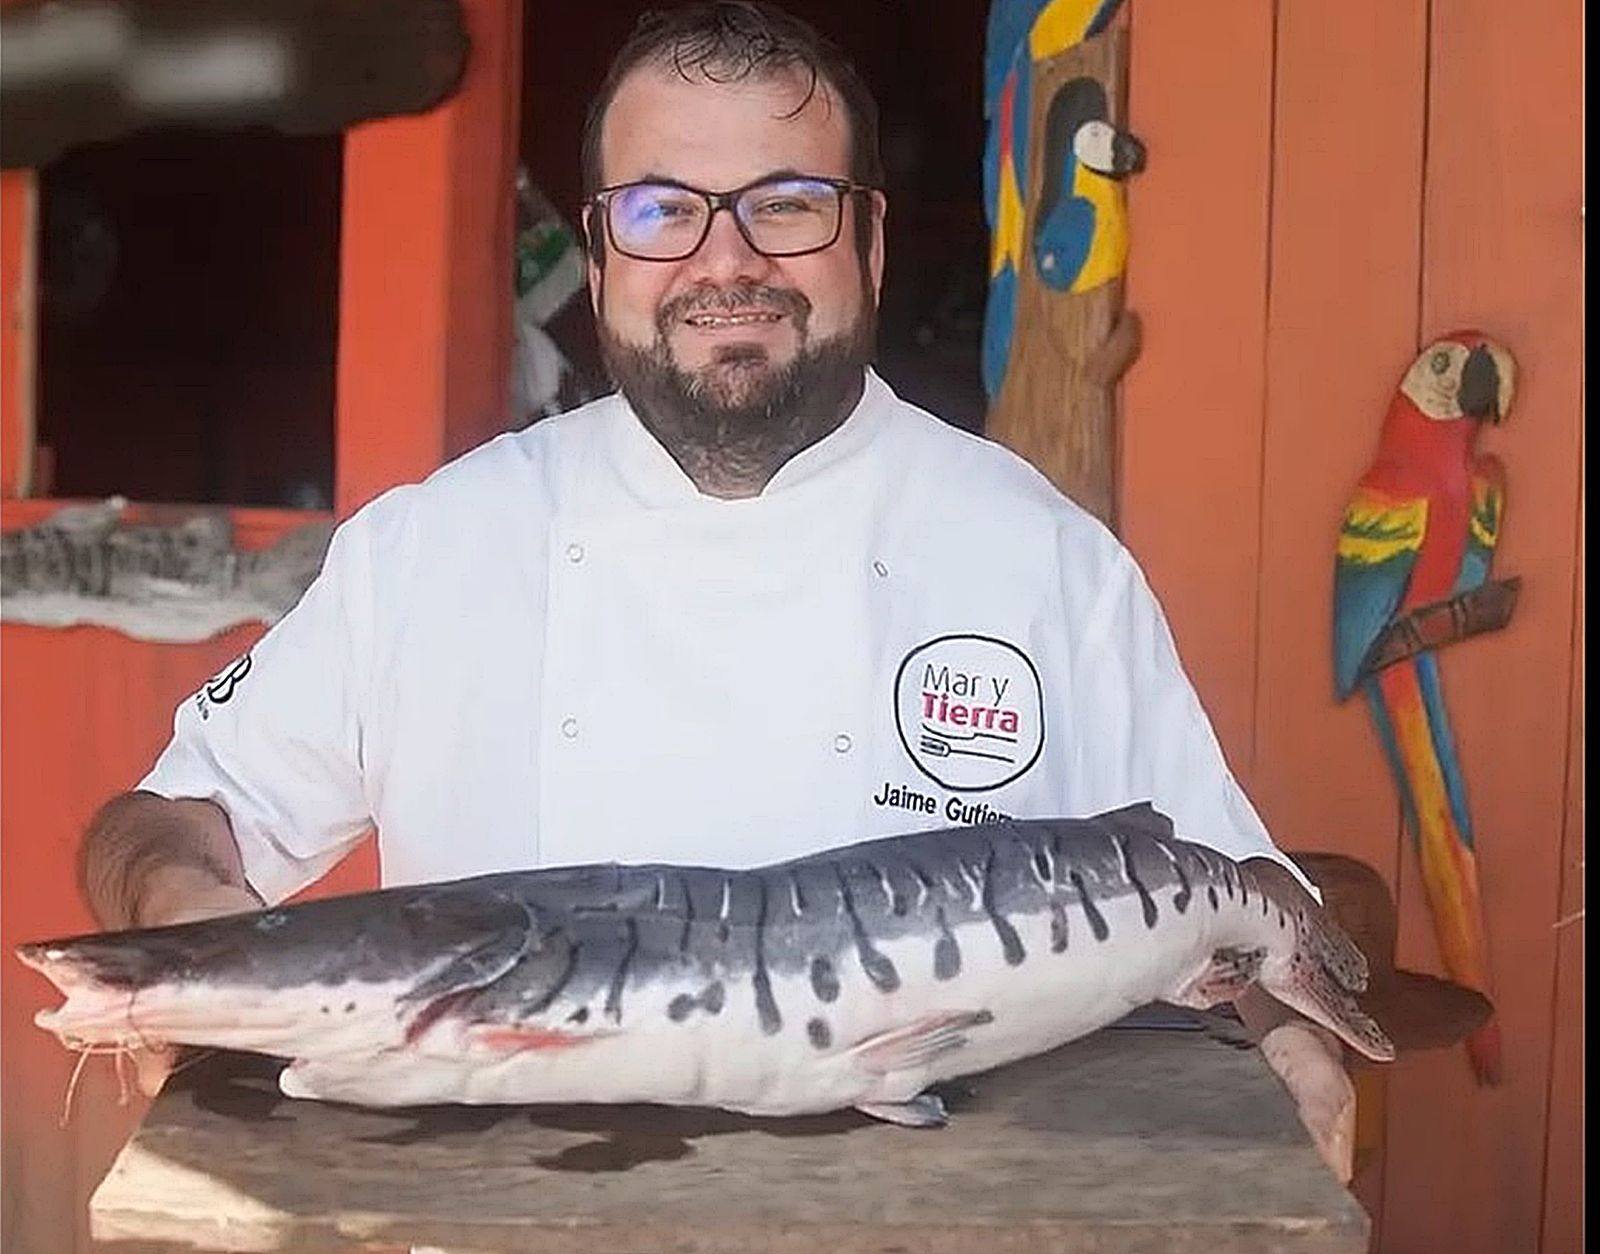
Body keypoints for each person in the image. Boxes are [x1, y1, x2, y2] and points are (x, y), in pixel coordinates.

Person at [81, 1, 1355, 1181]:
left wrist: (1287, 1040)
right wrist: (214, 953)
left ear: (867, 238)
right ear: (597, 252)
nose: (722, 259)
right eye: (659, 209)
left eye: (786, 203)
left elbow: (1227, 897)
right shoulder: (432, 546)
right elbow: (168, 821)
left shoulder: (1042, 559)